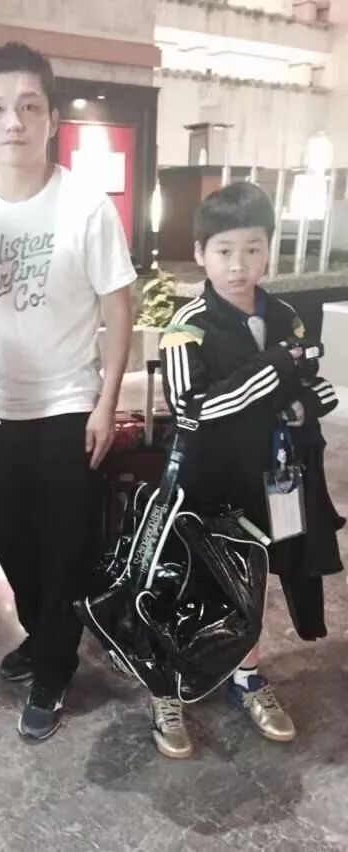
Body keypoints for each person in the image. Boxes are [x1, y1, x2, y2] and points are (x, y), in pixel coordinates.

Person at [0, 42, 135, 741]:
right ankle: (44, 634)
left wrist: (106, 401)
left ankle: (53, 667)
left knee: (64, 546)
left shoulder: (85, 205)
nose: (13, 121)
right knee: (11, 540)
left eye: (28, 106)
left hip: (68, 404)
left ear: (51, 120)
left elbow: (118, 307)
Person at [157, 181, 342, 759]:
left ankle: (247, 675)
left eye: (253, 249)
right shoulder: (187, 324)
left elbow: (314, 387)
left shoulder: (285, 315)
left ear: (269, 251)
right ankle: (168, 686)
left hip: (273, 475)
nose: (239, 265)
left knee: (255, 576)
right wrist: (277, 371)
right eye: (225, 251)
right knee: (192, 581)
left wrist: (300, 398)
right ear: (200, 253)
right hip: (207, 481)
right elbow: (194, 407)